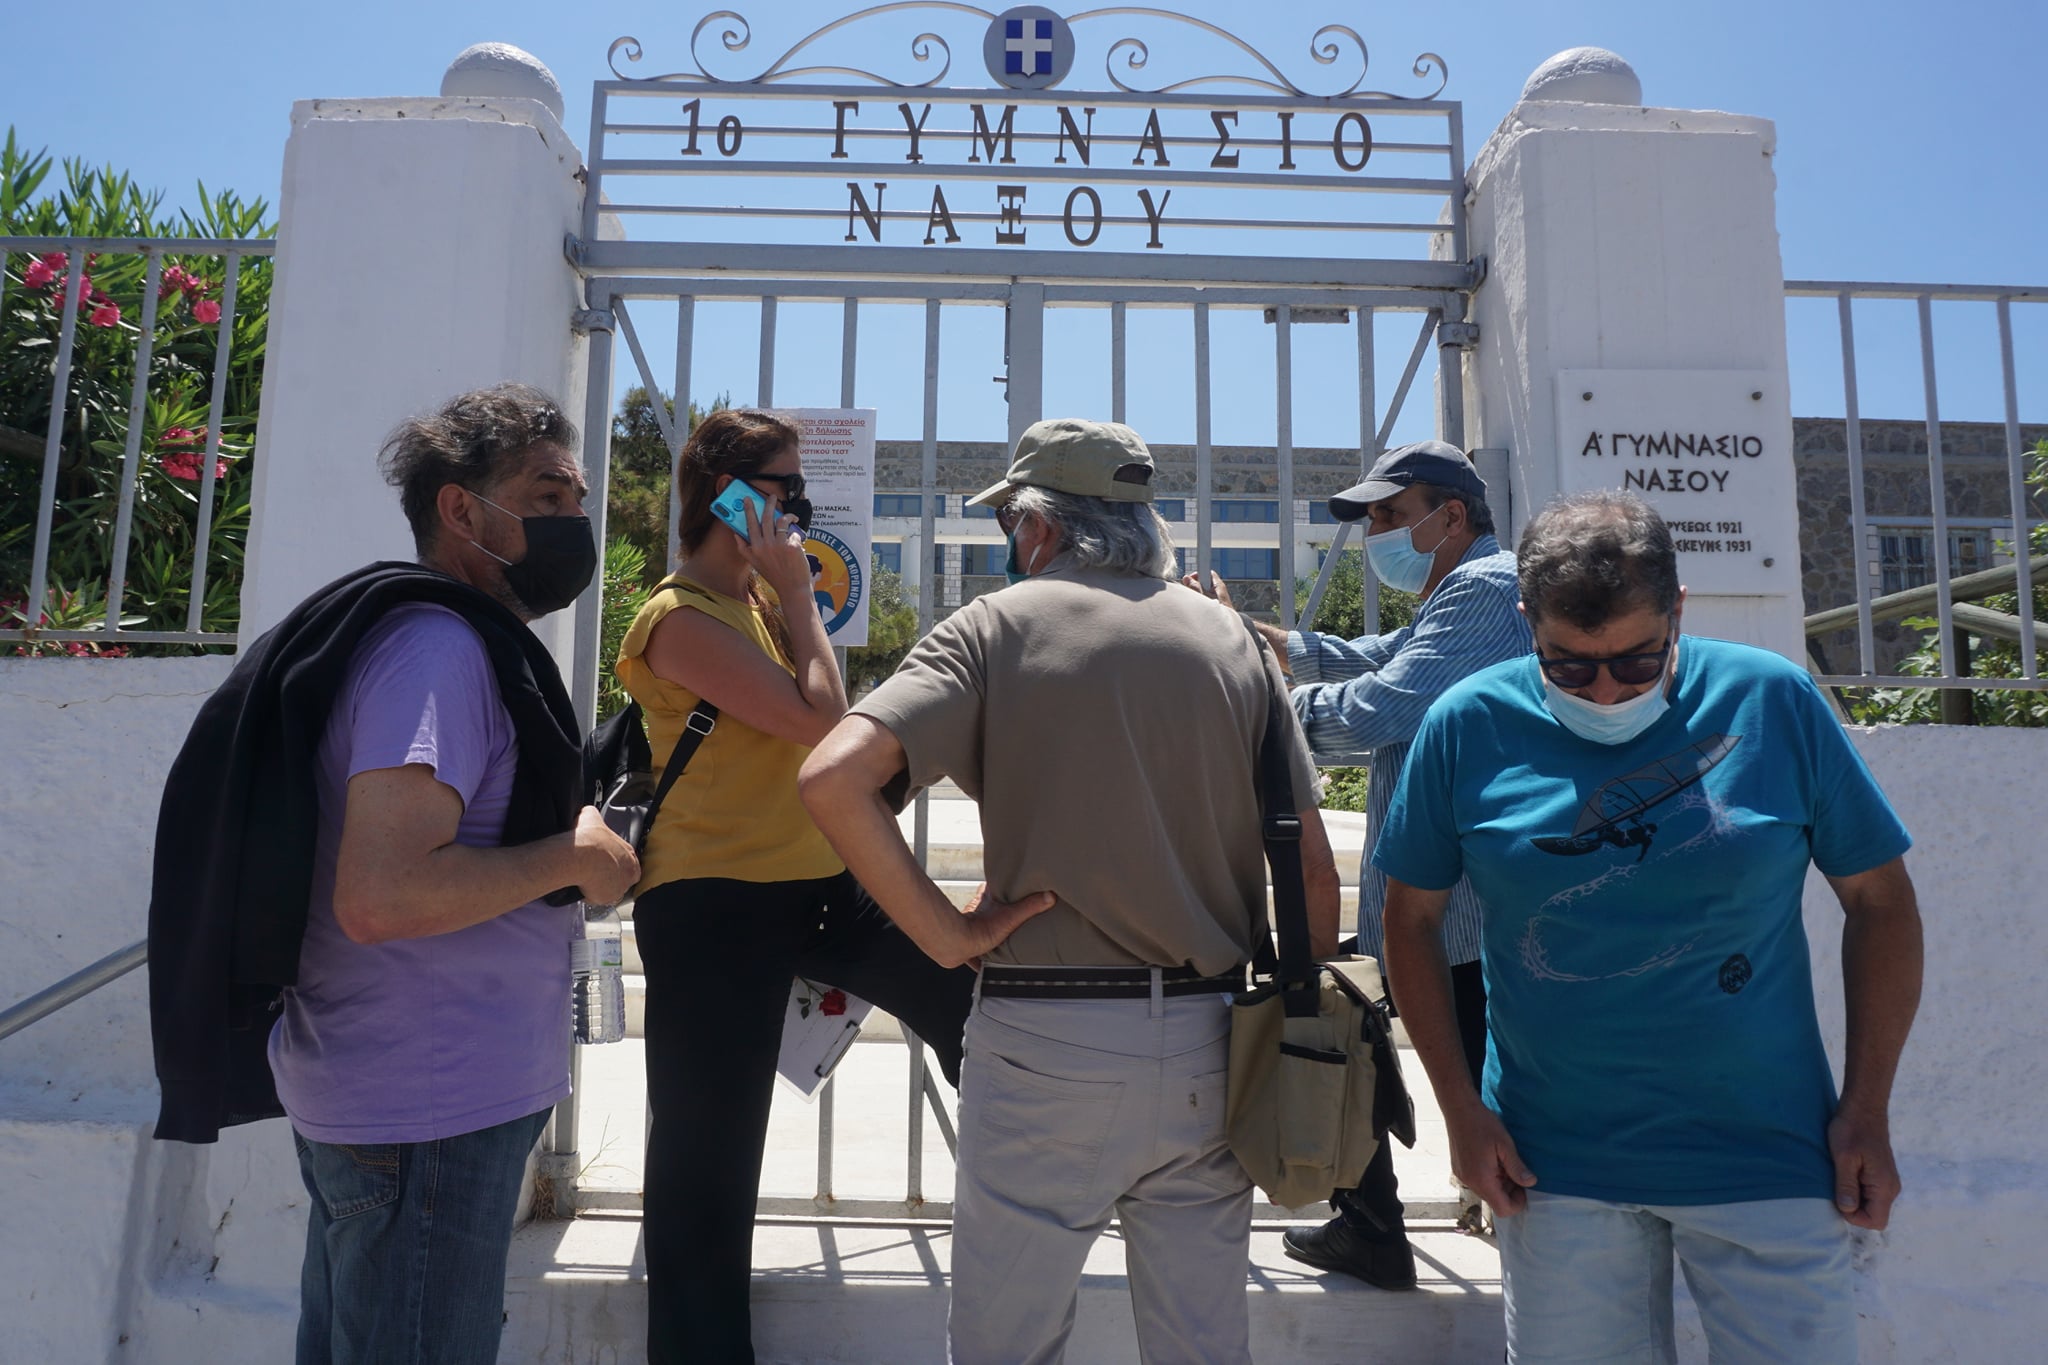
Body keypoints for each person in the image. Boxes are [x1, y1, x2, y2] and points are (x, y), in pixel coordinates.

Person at [799, 417, 1341, 1365]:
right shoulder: (1233, 639)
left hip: (1045, 1036)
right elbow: (1311, 868)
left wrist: (945, 935)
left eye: (1009, 520)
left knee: (1007, 1344)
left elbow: (831, 778)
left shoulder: (994, 627)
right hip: (1215, 1040)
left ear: (1042, 525)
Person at [149, 383, 643, 1365]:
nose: (574, 523)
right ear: (461, 509)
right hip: (425, 1115)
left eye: (577, 500)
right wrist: (575, 858)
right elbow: (383, 895)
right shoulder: (437, 654)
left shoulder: (439, 641)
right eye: (546, 497)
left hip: (410, 1102)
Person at [1376, 491, 1923, 1364]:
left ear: (1679, 611)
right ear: (1526, 621)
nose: (1604, 690)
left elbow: (1881, 901)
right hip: (1554, 1166)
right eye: (1567, 666)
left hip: (1769, 1156)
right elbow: (1410, 920)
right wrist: (1460, 1111)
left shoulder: (1772, 701)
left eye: (1636, 661)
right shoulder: (1466, 724)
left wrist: (1867, 1110)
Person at [615, 408, 977, 1365]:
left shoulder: (759, 608)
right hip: (713, 901)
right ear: (728, 493)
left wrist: (786, 597)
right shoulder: (679, 619)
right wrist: (799, 593)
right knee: (708, 1162)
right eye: (785, 488)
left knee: (974, 1002)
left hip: (817, 881)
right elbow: (825, 720)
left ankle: (1026, 1197)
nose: (800, 507)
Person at [1192, 439, 1529, 1289]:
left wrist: (1256, 700)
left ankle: (1520, 1244)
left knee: (1468, 1077)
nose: (1376, 532)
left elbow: (1378, 708)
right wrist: (1254, 638)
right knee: (1371, 1034)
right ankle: (1373, 1221)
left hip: (1466, 911)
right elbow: (1377, 656)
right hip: (1449, 907)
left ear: (1453, 515)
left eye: (1389, 513)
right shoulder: (1458, 594)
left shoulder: (1487, 589)